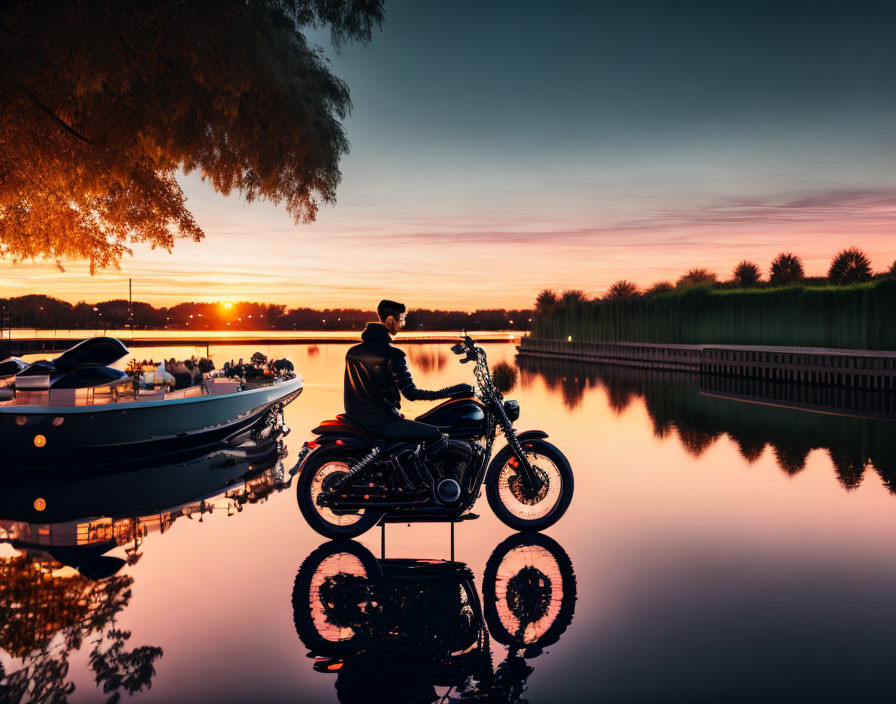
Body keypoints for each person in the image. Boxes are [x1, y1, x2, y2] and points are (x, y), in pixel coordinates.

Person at [344, 299, 473, 443]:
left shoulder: (353, 352)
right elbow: (411, 393)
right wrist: (452, 391)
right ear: (391, 320)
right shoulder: (393, 354)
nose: (403, 324)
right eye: (403, 319)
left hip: (357, 419)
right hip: (383, 421)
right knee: (436, 434)